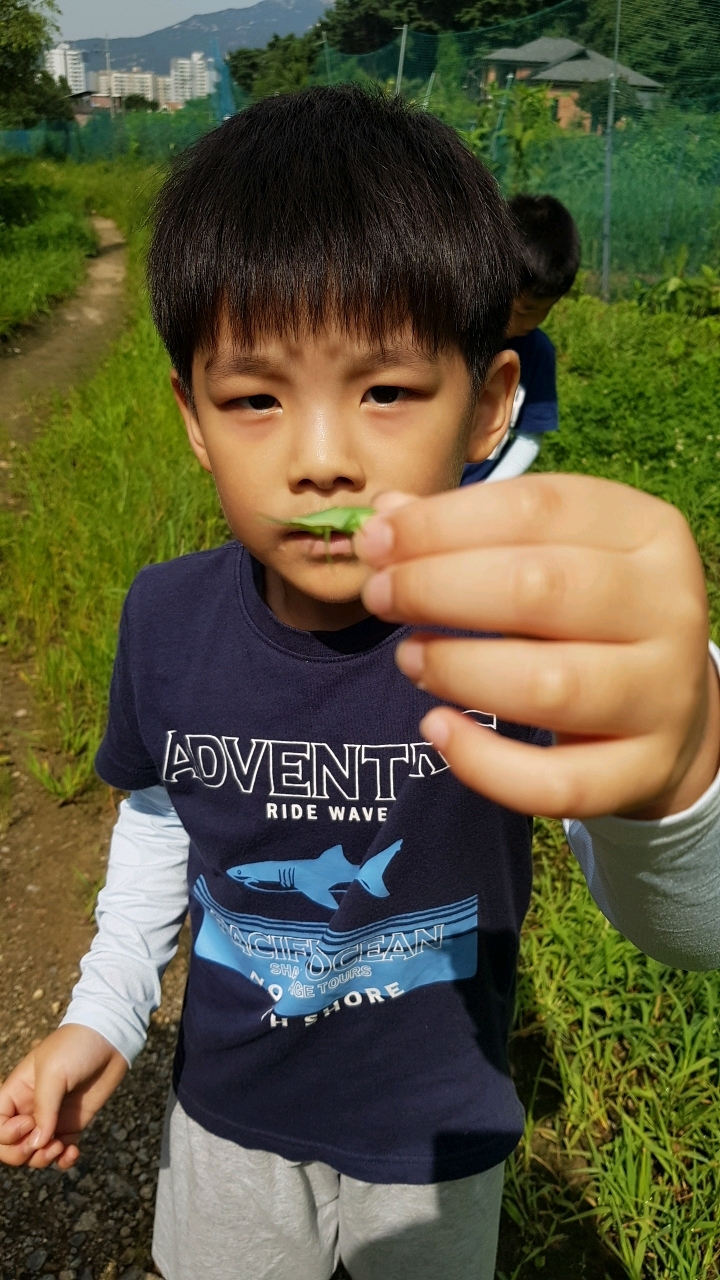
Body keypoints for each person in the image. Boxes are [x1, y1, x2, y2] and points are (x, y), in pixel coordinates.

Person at [1, 87, 719, 1280]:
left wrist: (685, 767)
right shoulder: (165, 619)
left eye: (385, 390)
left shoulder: (525, 637)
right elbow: (163, 819)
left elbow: (697, 929)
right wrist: (107, 1008)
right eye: (254, 398)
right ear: (192, 417)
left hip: (437, 1138)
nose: (321, 455)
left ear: (490, 406)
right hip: (227, 1120)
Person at [461, 193, 580, 485]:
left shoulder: (536, 353)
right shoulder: (451, 335)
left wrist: (485, 493)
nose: (532, 322)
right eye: (523, 310)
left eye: (545, 309)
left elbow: (529, 439)